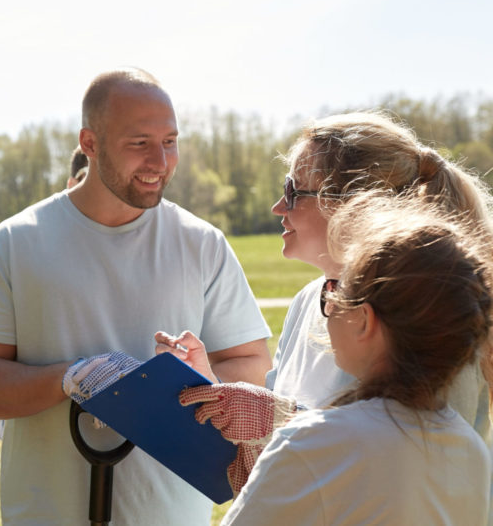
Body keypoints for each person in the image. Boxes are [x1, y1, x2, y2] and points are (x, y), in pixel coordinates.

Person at [0, 67, 273, 525]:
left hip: (170, 514)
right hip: (45, 513)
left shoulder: (202, 244)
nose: (160, 162)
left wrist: (199, 380)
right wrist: (70, 377)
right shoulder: (15, 242)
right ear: (90, 143)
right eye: (139, 143)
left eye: (170, 141)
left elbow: (253, 367)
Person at [160, 111, 493, 494]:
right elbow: (277, 462)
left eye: (293, 190)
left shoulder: (426, 311)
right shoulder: (308, 300)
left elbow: (419, 467)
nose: (277, 208)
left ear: (353, 203)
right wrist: (213, 392)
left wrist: (277, 419)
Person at [216, 195, 492, 524]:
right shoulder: (471, 450)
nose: (328, 302)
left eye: (336, 287)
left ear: (364, 319)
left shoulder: (313, 442)